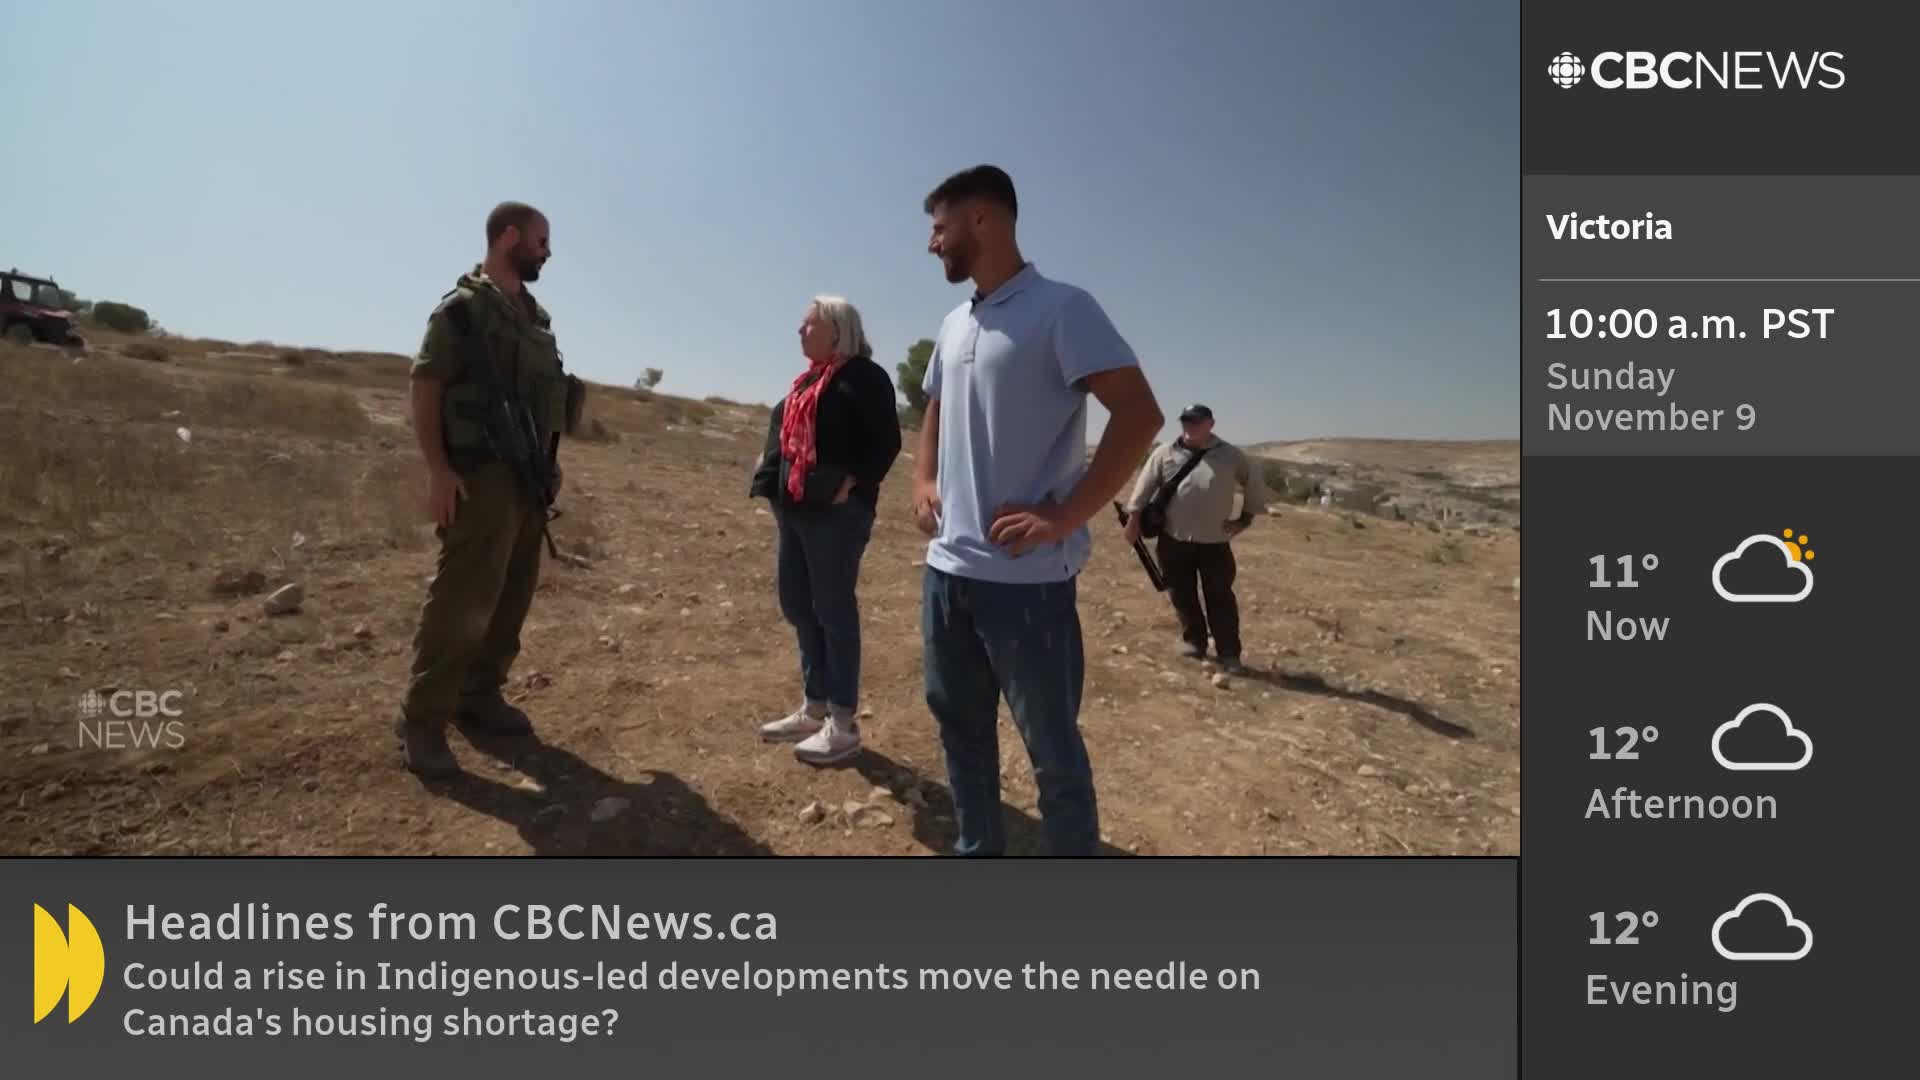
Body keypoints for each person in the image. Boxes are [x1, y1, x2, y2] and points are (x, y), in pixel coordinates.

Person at [913, 165, 1165, 856]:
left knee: (1052, 757)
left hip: (1027, 589)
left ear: (984, 219)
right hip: (946, 575)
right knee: (961, 735)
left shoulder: (1062, 309)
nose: (932, 243)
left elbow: (1139, 415)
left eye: (940, 227)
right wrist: (922, 475)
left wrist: (1066, 515)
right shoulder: (954, 321)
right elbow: (935, 402)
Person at [395, 201, 580, 777]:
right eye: (540, 241)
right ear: (508, 237)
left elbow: (548, 400)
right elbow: (426, 387)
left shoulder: (535, 319)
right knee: (463, 597)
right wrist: (438, 471)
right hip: (478, 477)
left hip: (527, 479)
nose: (547, 252)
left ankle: (479, 696)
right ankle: (422, 720)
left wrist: (550, 466)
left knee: (513, 592)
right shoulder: (463, 311)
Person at [750, 296, 902, 764]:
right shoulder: (810, 379)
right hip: (795, 509)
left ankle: (842, 721)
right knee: (798, 604)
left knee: (833, 610)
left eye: (808, 324)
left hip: (837, 514)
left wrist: (851, 484)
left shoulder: (863, 376)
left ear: (837, 329)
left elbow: (886, 442)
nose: (799, 331)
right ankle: (814, 707)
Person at [1123, 404, 1269, 675]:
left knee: (1220, 597)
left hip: (1214, 541)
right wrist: (1133, 519)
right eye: (1186, 421)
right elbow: (1145, 486)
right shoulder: (1164, 453)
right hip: (1173, 538)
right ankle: (1194, 642)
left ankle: (1228, 652)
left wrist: (1245, 518)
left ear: (1210, 424)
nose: (1190, 425)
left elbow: (1254, 484)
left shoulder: (1231, 455)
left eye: (1197, 421)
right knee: (1181, 593)